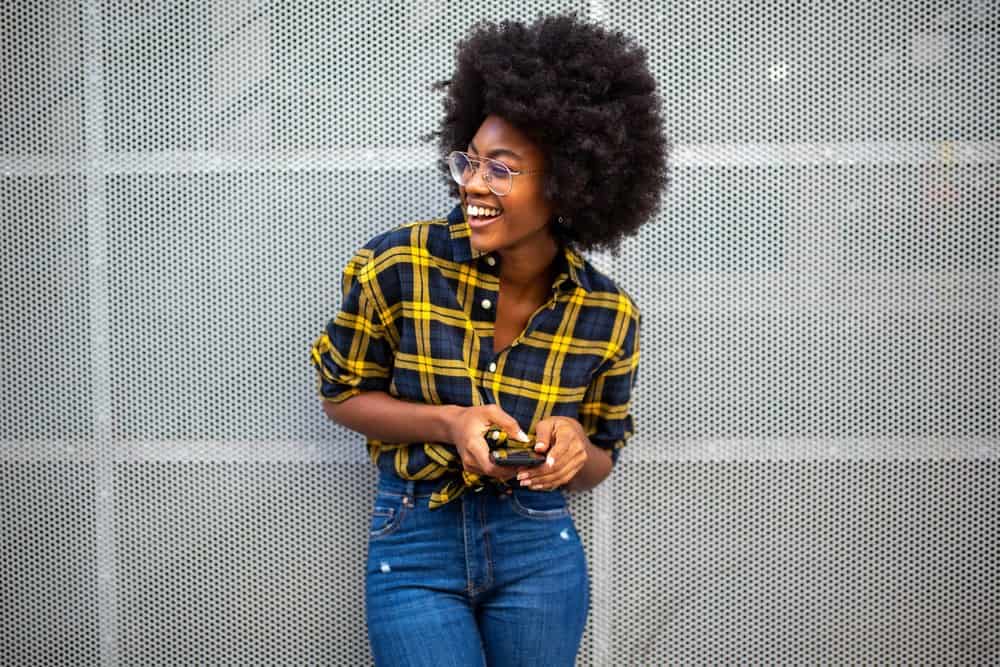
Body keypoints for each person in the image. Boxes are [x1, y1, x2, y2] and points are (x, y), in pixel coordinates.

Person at [309, 10, 668, 666]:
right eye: (468, 161)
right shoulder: (399, 265)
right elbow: (340, 395)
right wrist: (452, 421)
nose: (471, 183)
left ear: (567, 184)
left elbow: (601, 459)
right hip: (415, 540)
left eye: (500, 169)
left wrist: (571, 446)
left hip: (538, 548)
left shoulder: (608, 315)